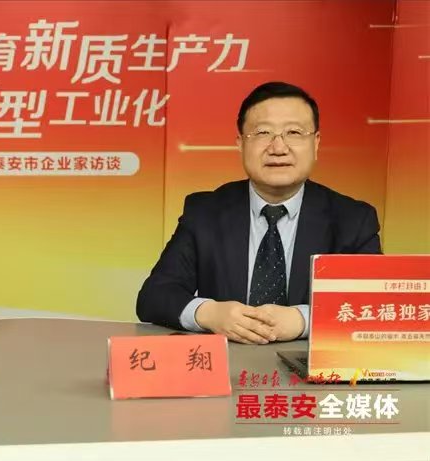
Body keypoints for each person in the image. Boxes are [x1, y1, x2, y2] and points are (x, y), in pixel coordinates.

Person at [136, 81, 381, 344]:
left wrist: (303, 320)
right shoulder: (205, 212)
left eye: (294, 132)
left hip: (311, 365)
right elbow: (154, 297)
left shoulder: (353, 220)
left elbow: (375, 304)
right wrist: (208, 313)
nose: (278, 148)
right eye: (263, 133)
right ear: (240, 144)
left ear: (316, 143)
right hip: (229, 363)